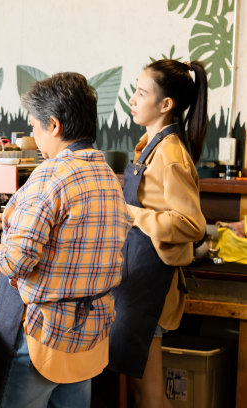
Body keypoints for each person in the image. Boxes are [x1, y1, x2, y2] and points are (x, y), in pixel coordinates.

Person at [0, 72, 131, 407]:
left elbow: (16, 263)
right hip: (88, 334)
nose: (33, 134)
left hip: (44, 336)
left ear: (54, 125)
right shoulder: (106, 176)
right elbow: (75, 227)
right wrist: (12, 218)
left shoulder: (50, 175)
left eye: (34, 126)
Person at [107, 59, 208, 408]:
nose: (132, 100)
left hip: (153, 285)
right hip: (135, 277)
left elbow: (191, 224)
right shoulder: (149, 144)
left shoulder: (171, 154)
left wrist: (133, 215)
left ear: (166, 105)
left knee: (149, 395)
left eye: (140, 93)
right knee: (139, 390)